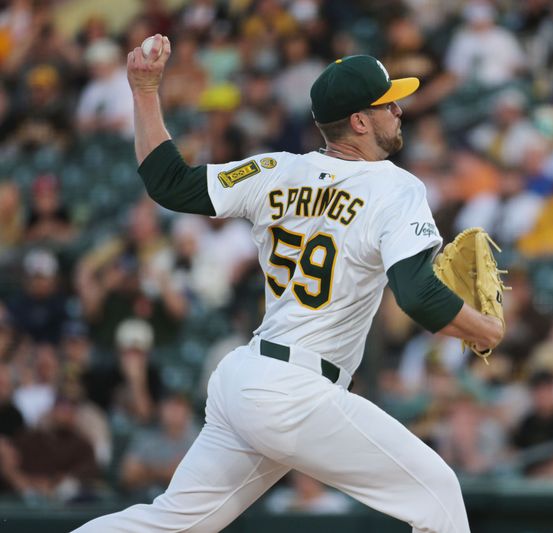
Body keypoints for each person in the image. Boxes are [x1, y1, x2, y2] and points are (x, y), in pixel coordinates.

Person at [75, 35, 503, 533]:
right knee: (438, 494)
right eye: (388, 104)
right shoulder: (396, 186)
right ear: (359, 122)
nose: (399, 111)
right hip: (296, 393)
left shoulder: (275, 170)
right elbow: (418, 296)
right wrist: (485, 330)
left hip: (247, 377)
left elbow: (168, 182)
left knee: (171, 524)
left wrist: (146, 92)